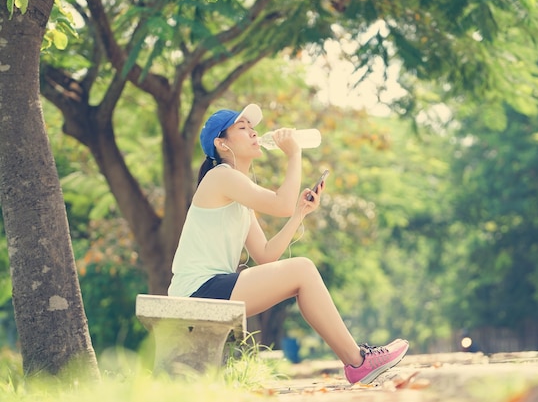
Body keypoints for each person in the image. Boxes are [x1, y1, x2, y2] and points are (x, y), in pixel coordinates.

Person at [168, 103, 409, 384]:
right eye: (243, 129)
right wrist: (294, 154)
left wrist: (299, 214)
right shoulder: (221, 176)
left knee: (301, 273)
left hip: (209, 290)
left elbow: (266, 255)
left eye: (253, 128)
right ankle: (358, 362)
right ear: (222, 144)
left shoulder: (238, 194)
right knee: (303, 269)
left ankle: (357, 362)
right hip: (197, 292)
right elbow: (280, 204)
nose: (254, 134)